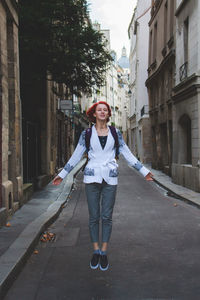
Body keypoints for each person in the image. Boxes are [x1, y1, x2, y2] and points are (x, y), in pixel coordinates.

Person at [53, 101, 153, 271]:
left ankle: (104, 252)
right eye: (99, 110)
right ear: (94, 114)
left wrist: (144, 171)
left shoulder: (115, 133)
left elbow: (127, 154)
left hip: (110, 179)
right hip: (91, 178)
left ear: (108, 114)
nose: (102, 112)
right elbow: (76, 156)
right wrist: (62, 175)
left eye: (105, 110)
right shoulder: (86, 133)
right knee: (94, 217)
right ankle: (95, 251)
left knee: (106, 217)